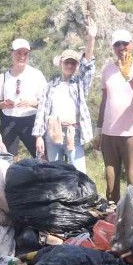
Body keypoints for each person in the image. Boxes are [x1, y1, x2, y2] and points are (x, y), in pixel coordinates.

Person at [33, 17, 98, 173]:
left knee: (80, 172)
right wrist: (39, 136)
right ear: (61, 64)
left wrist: (91, 38)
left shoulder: (80, 84)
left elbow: (88, 64)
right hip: (52, 132)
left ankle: (82, 198)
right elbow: (42, 111)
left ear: (76, 66)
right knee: (55, 172)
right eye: (66, 62)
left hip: (73, 133)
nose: (69, 65)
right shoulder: (50, 86)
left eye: (73, 63)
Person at [98, 28, 133, 206]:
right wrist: (99, 129)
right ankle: (113, 219)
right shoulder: (107, 70)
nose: (121, 47)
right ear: (113, 47)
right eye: (117, 44)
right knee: (111, 182)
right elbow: (105, 100)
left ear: (131, 45)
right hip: (109, 133)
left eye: (124, 43)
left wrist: (128, 76)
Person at [0, 38, 47, 158]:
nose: (22, 56)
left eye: (25, 53)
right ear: (11, 53)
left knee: (42, 157)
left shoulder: (37, 75)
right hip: (9, 121)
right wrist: (4, 104)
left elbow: (47, 103)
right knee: (6, 158)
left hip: (31, 121)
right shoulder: (3, 77)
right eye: (18, 53)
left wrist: (32, 103)